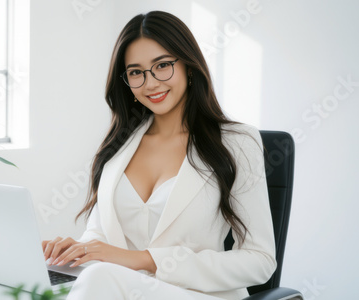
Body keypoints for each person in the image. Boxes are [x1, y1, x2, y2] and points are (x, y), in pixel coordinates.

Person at [42, 10, 276, 300]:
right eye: (136, 72)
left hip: (200, 295)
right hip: (126, 290)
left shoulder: (237, 142)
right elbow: (102, 235)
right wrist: (78, 250)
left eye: (162, 65)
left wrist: (148, 259)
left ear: (189, 67)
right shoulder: (119, 144)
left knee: (99, 276)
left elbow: (260, 260)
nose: (151, 83)